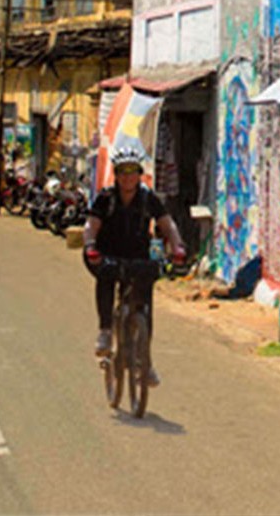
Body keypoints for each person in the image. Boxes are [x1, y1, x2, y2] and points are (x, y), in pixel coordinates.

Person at [82, 145, 185, 387]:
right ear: (116, 174)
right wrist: (90, 247)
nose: (127, 177)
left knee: (145, 307)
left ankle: (144, 361)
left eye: (132, 172)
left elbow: (168, 224)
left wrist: (177, 247)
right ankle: (106, 331)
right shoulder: (106, 198)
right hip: (108, 254)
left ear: (140, 174)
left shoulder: (148, 198)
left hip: (138, 257)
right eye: (122, 172)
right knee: (105, 278)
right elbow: (91, 226)